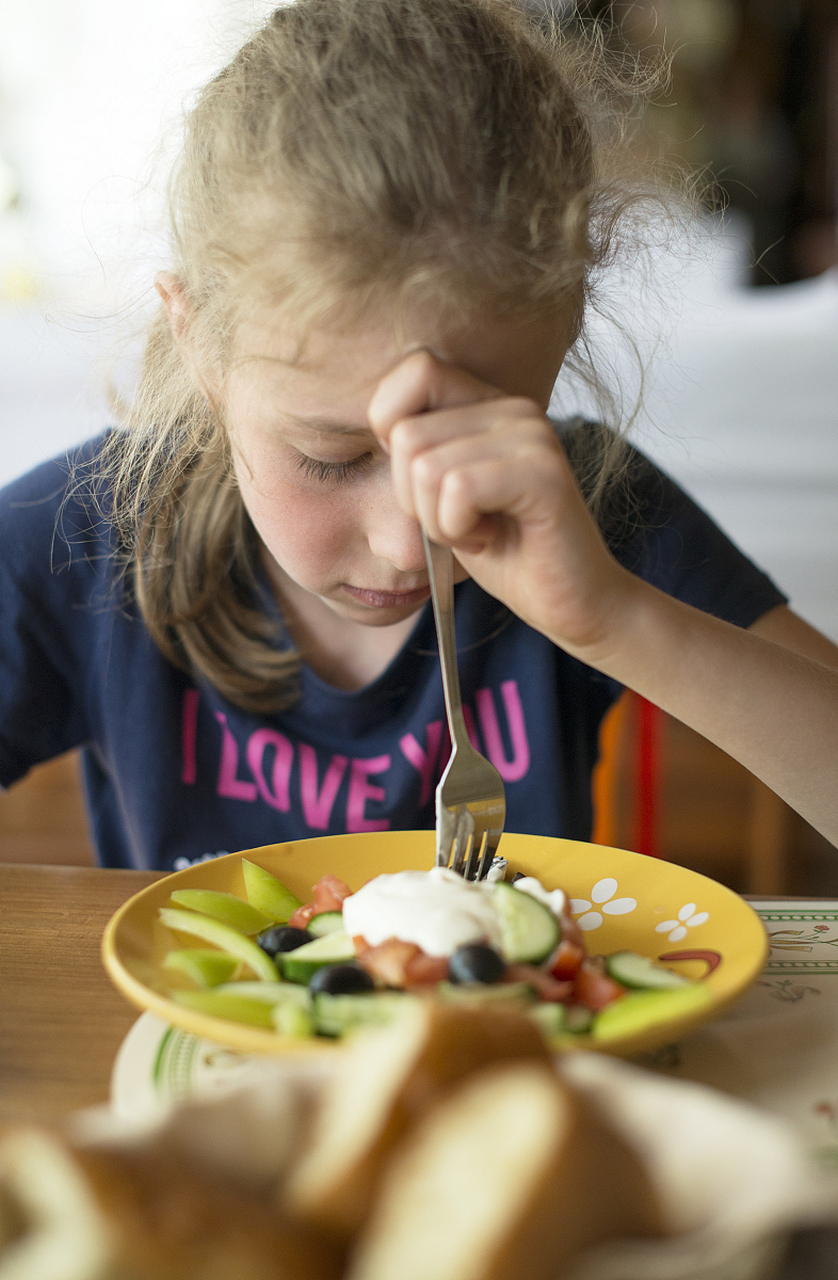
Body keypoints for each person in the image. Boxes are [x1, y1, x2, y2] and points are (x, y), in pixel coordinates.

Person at [1, 0, 837, 872]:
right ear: (198, 342)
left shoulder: (590, 510)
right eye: (331, 458)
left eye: (477, 439)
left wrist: (614, 619)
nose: (413, 542)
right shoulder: (83, 540)